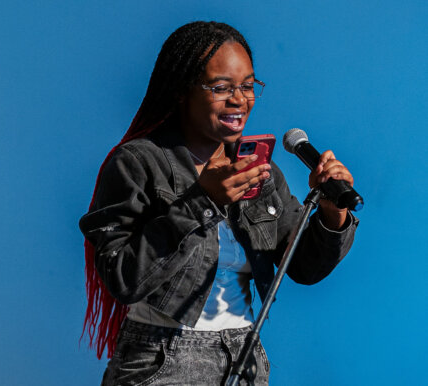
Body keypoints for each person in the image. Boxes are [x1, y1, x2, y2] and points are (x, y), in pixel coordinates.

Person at [79, 21, 358, 385]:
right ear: (182, 91)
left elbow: (304, 268)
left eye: (247, 86)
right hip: (162, 358)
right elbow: (124, 279)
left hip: (244, 357)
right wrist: (203, 201)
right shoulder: (138, 163)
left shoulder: (261, 170)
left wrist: (332, 211)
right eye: (221, 87)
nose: (239, 99)